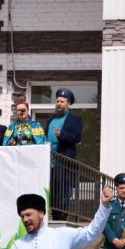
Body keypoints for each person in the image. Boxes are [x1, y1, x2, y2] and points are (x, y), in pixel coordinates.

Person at [45, 89, 83, 220]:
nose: (59, 104)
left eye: (62, 101)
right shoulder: (51, 119)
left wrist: (61, 135)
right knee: (52, 193)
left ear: (69, 104)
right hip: (49, 163)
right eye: (57, 101)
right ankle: (54, 218)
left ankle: (61, 219)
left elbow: (77, 138)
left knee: (63, 194)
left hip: (64, 163)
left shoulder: (74, 119)